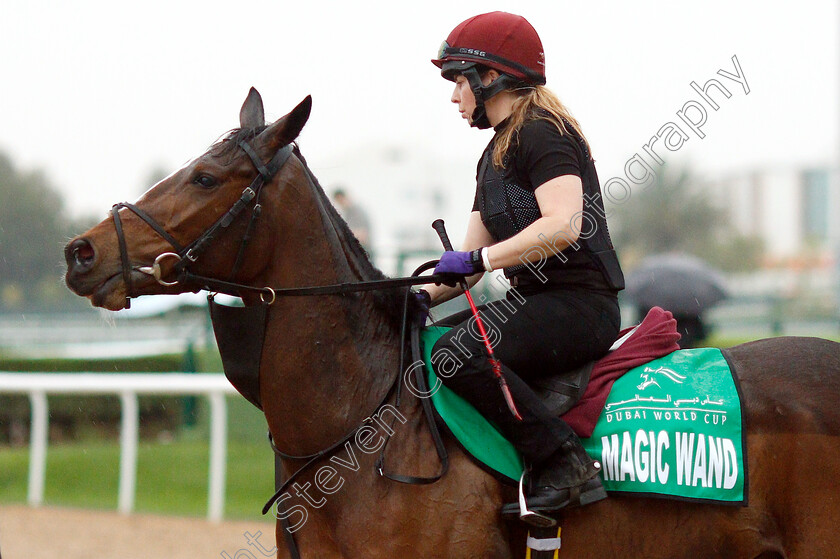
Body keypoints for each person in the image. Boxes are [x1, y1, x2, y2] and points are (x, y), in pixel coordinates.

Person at [418, 11, 625, 523]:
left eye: (457, 81)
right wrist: (412, 296)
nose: (453, 97)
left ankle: (563, 462)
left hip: (581, 306)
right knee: (421, 340)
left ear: (490, 77)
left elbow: (563, 225)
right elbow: (465, 270)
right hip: (531, 302)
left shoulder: (545, 132)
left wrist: (481, 259)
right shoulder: (492, 156)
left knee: (453, 353)